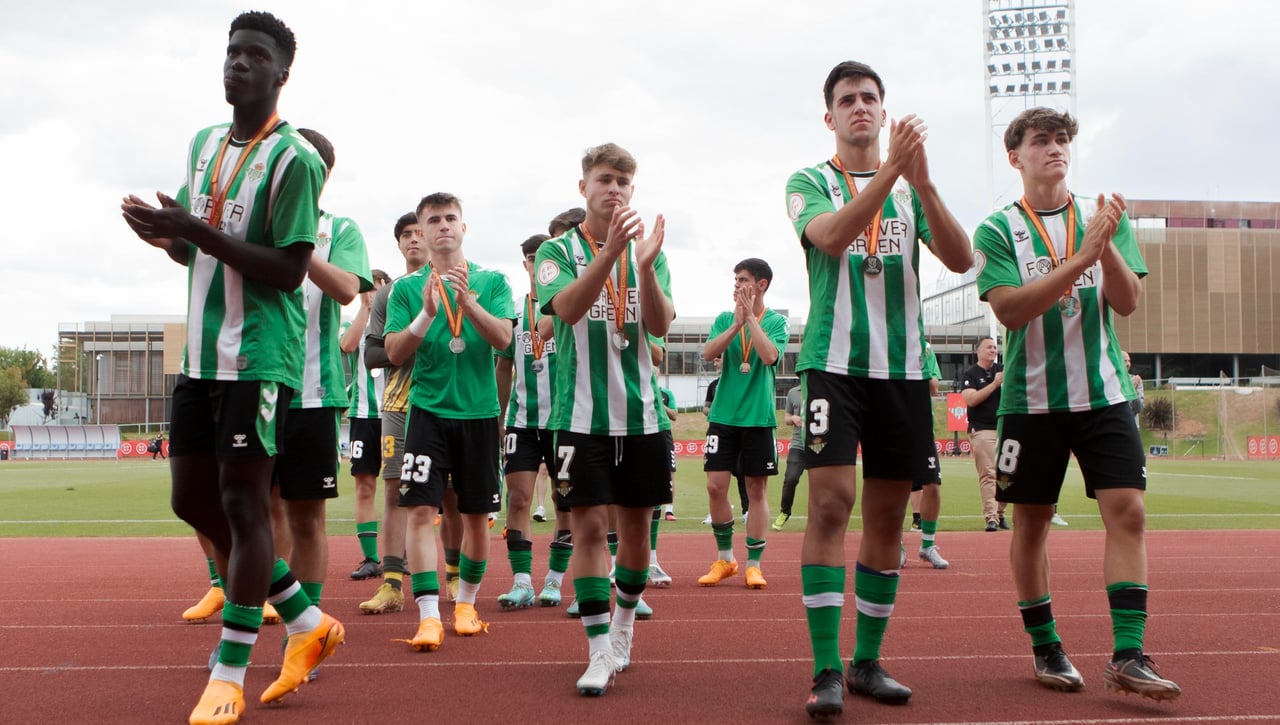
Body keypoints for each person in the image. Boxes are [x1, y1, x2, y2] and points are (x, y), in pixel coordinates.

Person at [120, 11, 344, 723]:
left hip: (256, 357)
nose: (237, 64)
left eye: (254, 55)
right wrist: (168, 237)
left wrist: (199, 232)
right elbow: (198, 252)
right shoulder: (203, 145)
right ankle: (308, 621)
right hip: (200, 355)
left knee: (248, 506)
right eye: (232, 52)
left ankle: (230, 670)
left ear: (281, 73)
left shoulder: (295, 160)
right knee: (193, 501)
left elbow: (287, 270)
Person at [784, 60, 973, 718]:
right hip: (832, 365)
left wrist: (922, 183)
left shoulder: (909, 189)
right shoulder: (809, 181)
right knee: (832, 504)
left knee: (889, 515)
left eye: (870, 97)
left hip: (903, 370)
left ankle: (866, 659)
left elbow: (960, 257)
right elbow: (831, 237)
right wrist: (893, 171)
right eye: (846, 99)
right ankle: (825, 667)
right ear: (829, 117)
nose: (859, 106)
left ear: (884, 112)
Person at [974, 106, 1180, 700]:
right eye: (1041, 140)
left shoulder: (1103, 216)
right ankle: (1046, 646)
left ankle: (1129, 654)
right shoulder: (996, 229)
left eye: (1063, 138)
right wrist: (1079, 260)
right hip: (1030, 400)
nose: (1055, 148)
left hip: (1104, 393)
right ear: (1016, 157)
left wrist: (1103, 244)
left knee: (1129, 511)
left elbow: (1128, 301)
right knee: (1032, 523)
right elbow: (1010, 309)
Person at [534, 142, 673, 696]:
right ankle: (595, 651)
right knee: (589, 527)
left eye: (623, 182)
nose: (613, 188)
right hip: (578, 417)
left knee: (634, 531)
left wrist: (643, 267)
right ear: (583, 187)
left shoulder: (649, 250)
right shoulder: (556, 250)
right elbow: (565, 309)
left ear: (632, 191)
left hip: (643, 417)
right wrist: (608, 254)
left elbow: (660, 325)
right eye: (604, 179)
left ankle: (622, 628)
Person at [385, 193, 515, 651]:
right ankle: (426, 616)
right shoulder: (406, 290)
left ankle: (465, 604)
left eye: (450, 218)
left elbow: (504, 340)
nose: (443, 226)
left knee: (477, 518)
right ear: (420, 232)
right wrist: (427, 314)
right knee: (420, 511)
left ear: (464, 227)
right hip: (427, 413)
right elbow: (395, 353)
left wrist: (468, 304)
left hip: (479, 414)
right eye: (433, 220)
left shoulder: (493, 281)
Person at [273, 127, 373, 620]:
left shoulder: (340, 230)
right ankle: (252, 613)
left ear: (322, 173)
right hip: (255, 386)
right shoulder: (253, 219)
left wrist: (298, 243)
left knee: (306, 516)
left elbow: (346, 290)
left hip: (313, 392)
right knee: (251, 512)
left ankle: (304, 629)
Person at [697, 259, 790, 590]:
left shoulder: (777, 322)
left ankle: (754, 564)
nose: (736, 285)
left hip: (758, 418)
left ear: (761, 285)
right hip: (723, 417)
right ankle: (726, 559)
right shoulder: (724, 318)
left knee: (756, 489)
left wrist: (750, 318)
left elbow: (768, 357)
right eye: (735, 279)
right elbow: (708, 353)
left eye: (743, 280)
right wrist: (735, 325)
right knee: (715, 486)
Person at [358, 213, 428, 615]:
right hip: (400, 404)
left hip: (447, 403)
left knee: (448, 497)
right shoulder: (389, 294)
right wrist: (406, 345)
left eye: (421, 232)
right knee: (393, 491)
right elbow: (370, 354)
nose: (415, 240)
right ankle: (391, 584)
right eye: (407, 235)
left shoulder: (459, 282)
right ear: (399, 244)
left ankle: (452, 578)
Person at [494, 233, 568, 608]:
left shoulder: (566, 303)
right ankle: (522, 581)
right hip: (522, 421)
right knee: (519, 497)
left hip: (564, 421)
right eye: (530, 258)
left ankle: (554, 580)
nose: (536, 264)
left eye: (543, 257)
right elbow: (504, 364)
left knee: (564, 499)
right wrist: (500, 415)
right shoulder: (513, 310)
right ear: (524, 264)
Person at [342, 268, 391, 580]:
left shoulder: (397, 319)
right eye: (367, 289)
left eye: (378, 289)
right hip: (362, 415)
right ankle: (371, 558)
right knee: (364, 486)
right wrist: (364, 308)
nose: (372, 294)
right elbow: (347, 346)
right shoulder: (354, 323)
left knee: (399, 487)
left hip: (397, 414)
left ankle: (398, 556)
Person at [961, 336, 1008, 531]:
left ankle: (1000, 513)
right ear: (978, 351)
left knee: (1007, 473)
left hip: (1005, 426)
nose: (993, 350)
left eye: (995, 347)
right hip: (982, 428)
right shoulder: (971, 374)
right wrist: (994, 385)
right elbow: (970, 399)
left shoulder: (1004, 369)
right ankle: (991, 517)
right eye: (988, 347)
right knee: (989, 473)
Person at [909, 342, 948, 569]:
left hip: (923, 427)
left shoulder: (924, 347)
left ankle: (927, 545)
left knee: (932, 485)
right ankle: (898, 547)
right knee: (893, 488)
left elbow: (934, 386)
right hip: (893, 426)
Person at [773, 384, 805, 530]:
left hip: (819, 444)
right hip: (798, 444)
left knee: (823, 484)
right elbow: (786, 418)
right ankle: (784, 512)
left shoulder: (823, 388)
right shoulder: (793, 392)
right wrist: (793, 417)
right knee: (790, 478)